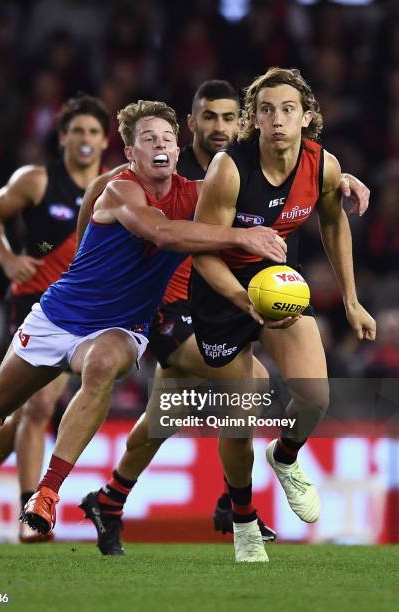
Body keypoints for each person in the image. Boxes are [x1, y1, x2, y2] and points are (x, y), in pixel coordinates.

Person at [0, 100, 287, 542]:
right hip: (59, 318)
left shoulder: (194, 193)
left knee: (103, 366)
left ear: (179, 145)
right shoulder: (120, 189)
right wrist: (240, 235)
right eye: (148, 139)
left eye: (167, 138)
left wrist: (334, 181)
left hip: (122, 327)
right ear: (130, 152)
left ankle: (47, 494)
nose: (160, 145)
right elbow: (161, 233)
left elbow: (256, 190)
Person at [77, 81, 371, 556]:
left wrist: (341, 179)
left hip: (246, 293)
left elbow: (308, 176)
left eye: (229, 118)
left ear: (243, 122)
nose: (220, 126)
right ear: (189, 124)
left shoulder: (255, 155)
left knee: (167, 412)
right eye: (209, 117)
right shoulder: (165, 161)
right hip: (173, 307)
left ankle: (111, 500)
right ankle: (238, 509)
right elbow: (101, 199)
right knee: (246, 390)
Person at [188, 67, 376, 562]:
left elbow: (335, 224)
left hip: (279, 285)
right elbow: (201, 250)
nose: (277, 119)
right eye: (266, 110)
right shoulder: (230, 169)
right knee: (239, 419)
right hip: (222, 293)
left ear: (307, 117)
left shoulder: (323, 166)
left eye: (288, 109)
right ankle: (244, 518)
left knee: (315, 395)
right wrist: (240, 300)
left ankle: (286, 455)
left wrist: (352, 299)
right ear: (254, 118)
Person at [0, 94, 110, 542]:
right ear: (62, 138)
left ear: (105, 140)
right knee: (21, 408)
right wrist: (6, 259)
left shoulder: (115, 189)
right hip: (34, 302)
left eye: (93, 131)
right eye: (77, 130)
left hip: (81, 311)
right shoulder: (38, 180)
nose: (85, 139)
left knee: (30, 411)